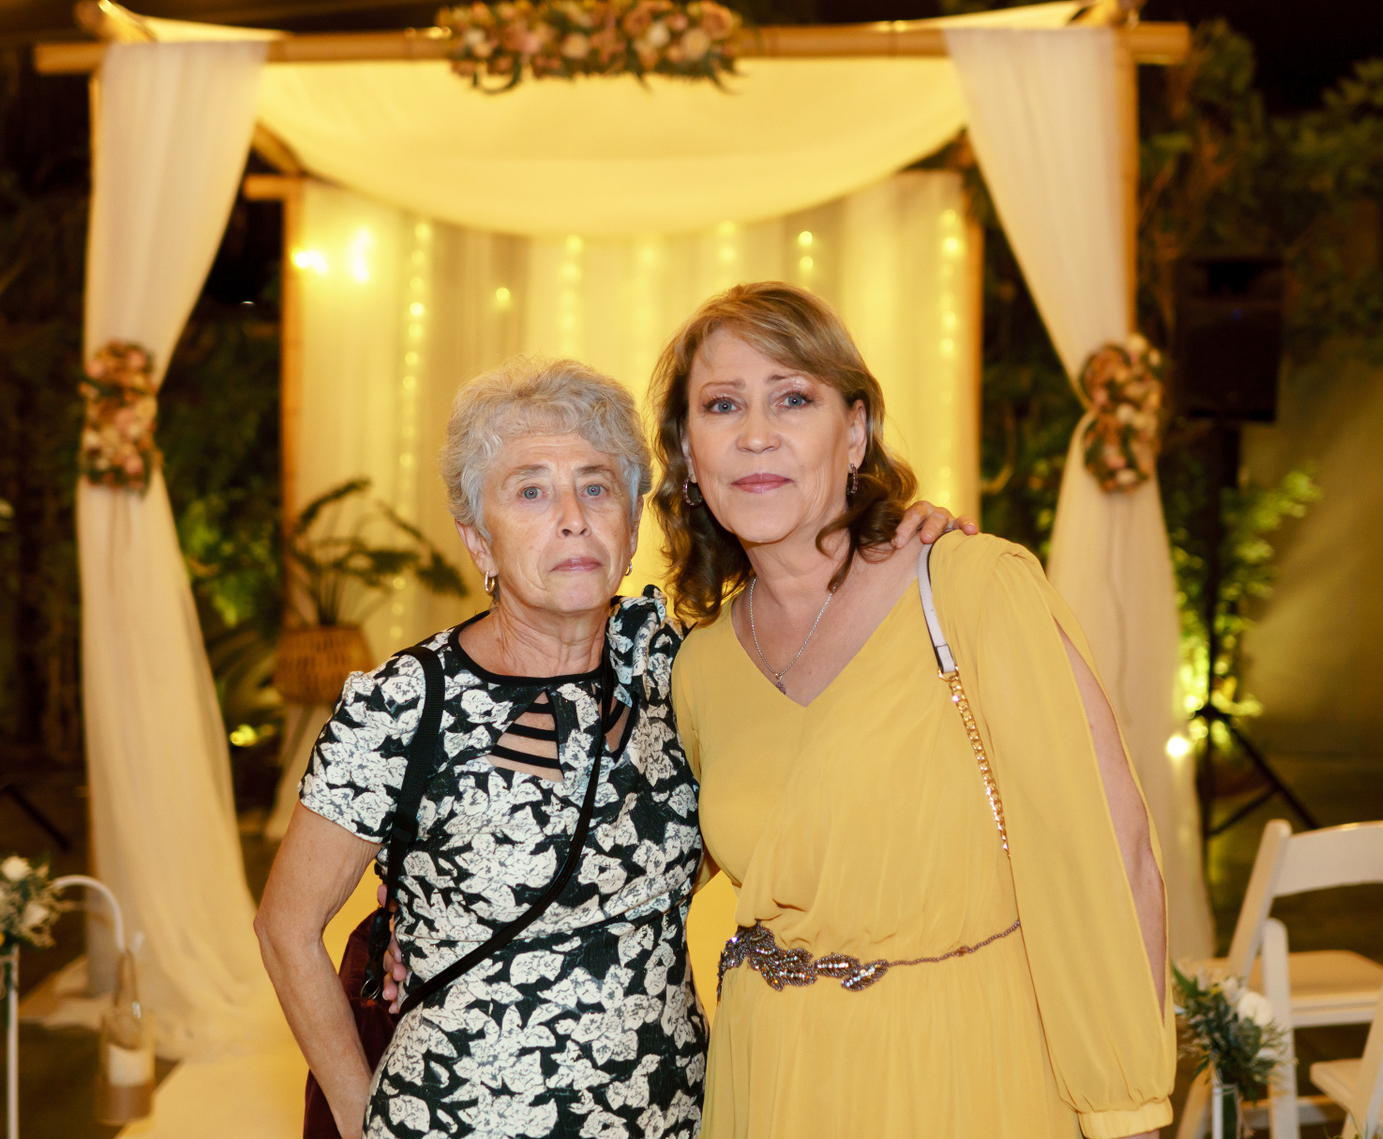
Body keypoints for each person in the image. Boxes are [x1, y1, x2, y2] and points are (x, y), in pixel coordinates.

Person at [256, 355, 965, 1139]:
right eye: (530, 491)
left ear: (630, 531)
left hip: (671, 1116)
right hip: (453, 1117)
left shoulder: (671, 660)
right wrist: (360, 1115)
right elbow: (287, 927)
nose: (572, 518)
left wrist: (900, 546)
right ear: (478, 541)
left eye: (596, 488)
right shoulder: (403, 703)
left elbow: (803, 670)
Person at [654, 283, 1174, 1139]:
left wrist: (1126, 1111)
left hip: (966, 1074)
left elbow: (1112, 856)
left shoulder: (971, 587)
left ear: (855, 432)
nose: (755, 434)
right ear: (688, 449)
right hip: (773, 1083)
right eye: (721, 405)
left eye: (793, 398)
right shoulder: (700, 665)